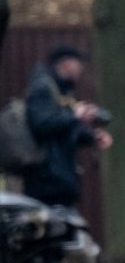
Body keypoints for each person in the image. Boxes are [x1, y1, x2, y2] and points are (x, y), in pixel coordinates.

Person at [22, 46, 113, 208]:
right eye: (78, 63)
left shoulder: (63, 91)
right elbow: (41, 124)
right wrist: (75, 115)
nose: (81, 69)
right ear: (65, 63)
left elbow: (65, 131)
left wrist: (92, 137)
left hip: (60, 181)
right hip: (45, 182)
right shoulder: (43, 87)